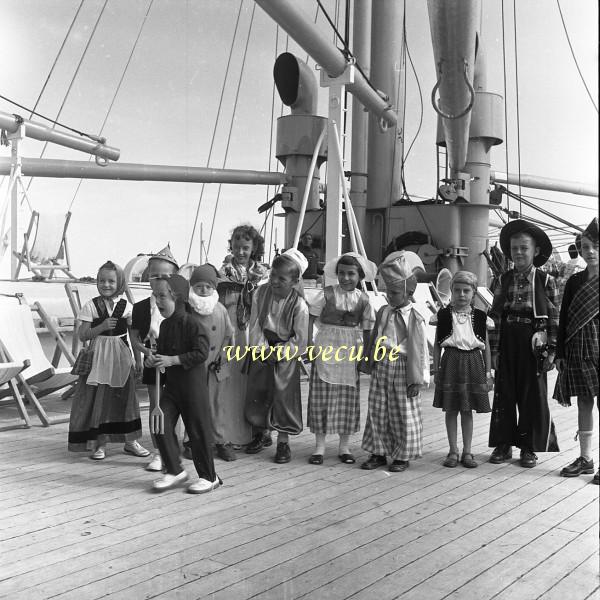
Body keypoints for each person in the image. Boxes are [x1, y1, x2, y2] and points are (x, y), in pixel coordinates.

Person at [488, 219, 560, 468]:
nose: (518, 253)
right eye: (514, 248)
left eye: (524, 248)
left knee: (532, 394)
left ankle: (528, 447)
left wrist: (551, 351)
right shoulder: (502, 280)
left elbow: (553, 318)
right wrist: (494, 351)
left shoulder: (546, 280)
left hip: (534, 341)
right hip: (507, 337)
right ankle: (503, 443)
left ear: (536, 251)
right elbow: (495, 317)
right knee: (504, 392)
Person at [146, 274, 221, 493]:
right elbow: (162, 354)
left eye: (162, 296)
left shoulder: (193, 324)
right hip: (173, 388)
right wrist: (154, 359)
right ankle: (174, 470)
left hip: (193, 389)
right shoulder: (166, 326)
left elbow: (201, 353)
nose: (158, 302)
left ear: (178, 297)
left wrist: (173, 360)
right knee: (159, 421)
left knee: (197, 432)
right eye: (155, 296)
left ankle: (210, 476)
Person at [68, 260, 149, 460]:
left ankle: (130, 441)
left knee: (126, 397)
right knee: (100, 398)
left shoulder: (126, 306)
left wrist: (138, 360)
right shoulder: (91, 306)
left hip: (121, 356)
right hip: (99, 357)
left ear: (119, 282)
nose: (106, 285)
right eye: (102, 280)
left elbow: (133, 336)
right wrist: (101, 327)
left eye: (111, 281)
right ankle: (100, 442)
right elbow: (84, 335)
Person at [360, 251, 430, 472]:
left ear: (409, 292)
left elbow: (420, 350)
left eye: (395, 292)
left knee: (404, 411)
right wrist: (369, 360)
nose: (390, 296)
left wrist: (419, 378)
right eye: (388, 291)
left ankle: (402, 455)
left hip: (404, 366)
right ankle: (378, 451)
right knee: (377, 410)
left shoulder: (415, 317)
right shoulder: (383, 312)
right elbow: (375, 337)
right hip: (383, 364)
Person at [307, 252, 376, 464]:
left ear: (360, 276)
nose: (346, 278)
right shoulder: (325, 294)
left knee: (347, 396)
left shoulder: (364, 300)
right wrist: (310, 343)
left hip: (350, 348)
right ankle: (319, 446)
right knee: (322, 396)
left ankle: (344, 446)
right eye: (342, 273)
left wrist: (366, 353)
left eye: (351, 274)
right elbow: (310, 319)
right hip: (326, 344)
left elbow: (367, 329)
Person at [243, 249, 309, 464]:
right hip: (262, 350)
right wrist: (262, 349)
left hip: (285, 354)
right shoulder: (259, 294)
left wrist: (280, 353)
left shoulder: (299, 305)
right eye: (272, 275)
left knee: (283, 398)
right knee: (259, 391)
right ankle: (261, 433)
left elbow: (300, 339)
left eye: (282, 278)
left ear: (294, 281)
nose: (275, 281)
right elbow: (254, 325)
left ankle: (283, 441)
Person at [431, 271, 493, 468]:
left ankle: (467, 451)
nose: (462, 294)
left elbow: (487, 347)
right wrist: (437, 369)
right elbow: (436, 344)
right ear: (451, 291)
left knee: (467, 410)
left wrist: (488, 373)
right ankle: (453, 451)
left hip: (473, 361)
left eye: (466, 290)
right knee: (451, 408)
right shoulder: (442, 315)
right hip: (450, 361)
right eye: (457, 290)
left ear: (474, 292)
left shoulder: (482, 317)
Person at [554, 217, 599, 484]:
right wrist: (559, 352)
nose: (590, 251)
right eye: (585, 247)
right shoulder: (575, 281)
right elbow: (564, 318)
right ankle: (586, 458)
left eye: (595, 246)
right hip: (578, 347)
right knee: (584, 400)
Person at [217, 224, 270, 451]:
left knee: (254, 382)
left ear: (254, 247)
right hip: (231, 329)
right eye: (237, 247)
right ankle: (230, 431)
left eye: (246, 247)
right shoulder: (223, 273)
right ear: (231, 246)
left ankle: (258, 432)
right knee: (231, 381)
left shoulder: (262, 274)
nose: (240, 252)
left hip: (254, 331)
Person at [130, 245, 179, 472]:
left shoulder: (181, 305)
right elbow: (135, 337)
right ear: (148, 278)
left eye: (165, 275)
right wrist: (143, 354)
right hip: (153, 360)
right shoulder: (141, 308)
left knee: (178, 405)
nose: (160, 279)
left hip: (176, 361)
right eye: (155, 275)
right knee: (156, 405)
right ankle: (160, 451)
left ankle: (175, 448)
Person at [188, 264, 237, 461]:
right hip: (195, 366)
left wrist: (224, 354)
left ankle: (221, 440)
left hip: (216, 366)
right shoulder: (188, 309)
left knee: (218, 404)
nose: (203, 290)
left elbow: (229, 334)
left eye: (208, 287)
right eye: (199, 286)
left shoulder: (220, 309)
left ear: (214, 288)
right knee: (194, 404)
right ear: (193, 287)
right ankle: (192, 441)